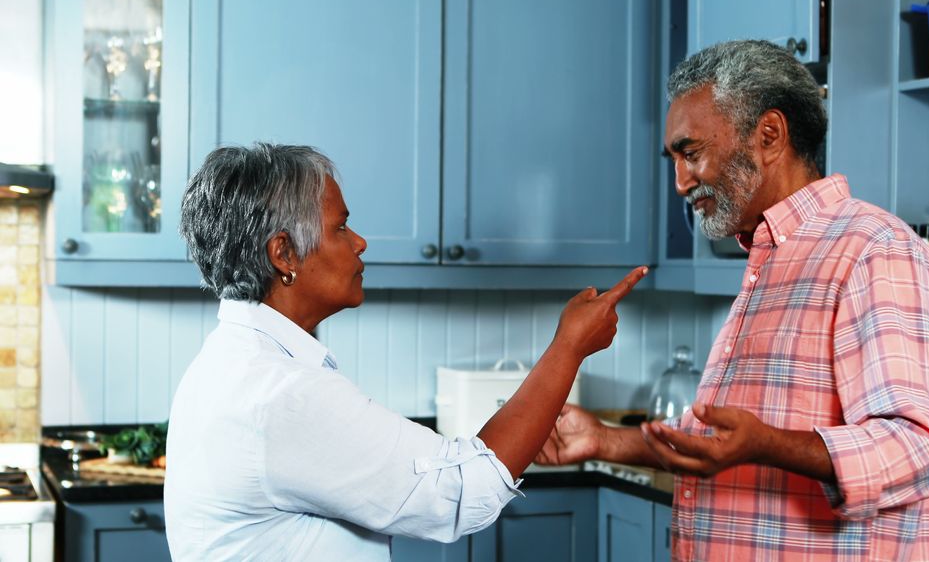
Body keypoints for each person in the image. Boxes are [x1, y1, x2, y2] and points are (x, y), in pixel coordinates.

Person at [537, 40, 929, 561]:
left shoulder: (876, 251)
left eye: (691, 154)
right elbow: (726, 442)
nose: (680, 182)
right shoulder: (772, 260)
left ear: (769, 135)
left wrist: (769, 444)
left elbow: (922, 449)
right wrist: (605, 442)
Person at [164, 142, 646, 560]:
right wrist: (568, 348)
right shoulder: (282, 395)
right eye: (340, 228)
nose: (360, 242)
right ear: (284, 254)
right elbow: (462, 492)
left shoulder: (231, 364)